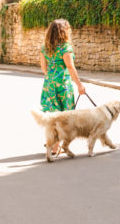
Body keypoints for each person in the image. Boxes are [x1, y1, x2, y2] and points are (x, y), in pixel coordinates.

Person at [39, 19, 86, 154]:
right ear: (64, 31)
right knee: (64, 117)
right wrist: (79, 85)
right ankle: (55, 146)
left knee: (53, 116)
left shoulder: (45, 48)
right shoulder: (65, 48)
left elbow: (43, 67)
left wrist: (51, 77)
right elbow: (70, 67)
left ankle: (53, 142)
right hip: (63, 85)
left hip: (49, 84)